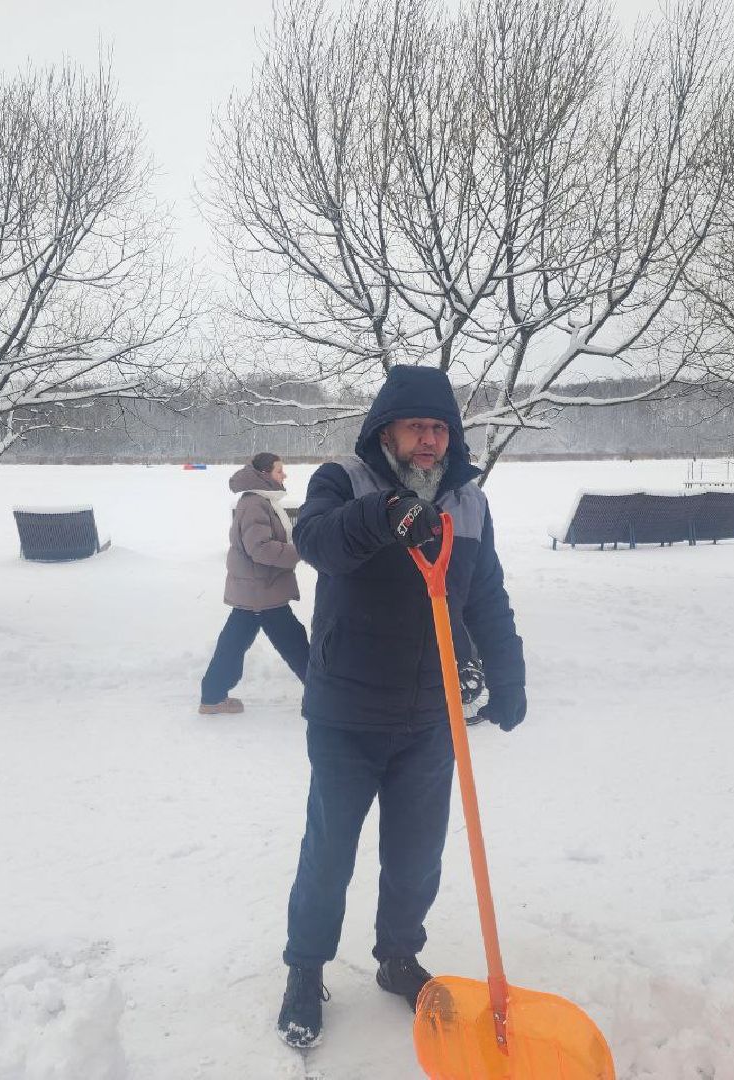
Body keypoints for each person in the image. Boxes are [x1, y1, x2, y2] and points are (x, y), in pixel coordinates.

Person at [275, 365, 526, 1049]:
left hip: (428, 717)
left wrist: (508, 676)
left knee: (417, 856)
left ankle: (396, 958)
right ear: (386, 427)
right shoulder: (344, 480)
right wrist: (384, 515)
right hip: (347, 715)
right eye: (417, 424)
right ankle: (305, 967)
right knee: (329, 851)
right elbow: (316, 541)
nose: (430, 439)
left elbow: (485, 596)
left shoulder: (468, 501)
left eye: (440, 427)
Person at [198, 452, 309, 715]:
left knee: (234, 643)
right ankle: (323, 696)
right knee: (295, 644)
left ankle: (212, 697)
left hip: (257, 591)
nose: (284, 475)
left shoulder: (262, 501)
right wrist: (300, 551)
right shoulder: (255, 504)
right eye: (279, 470)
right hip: (261, 591)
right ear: (264, 475)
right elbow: (260, 549)